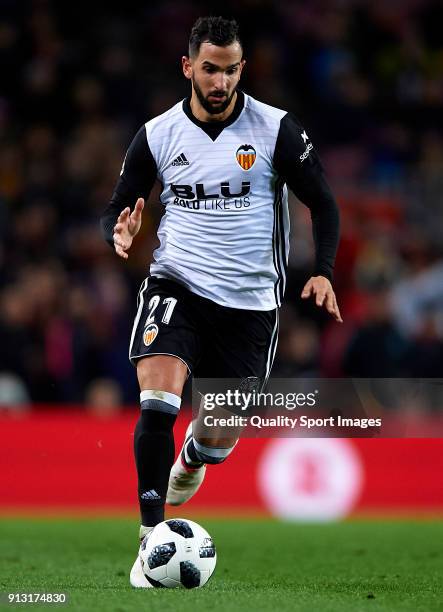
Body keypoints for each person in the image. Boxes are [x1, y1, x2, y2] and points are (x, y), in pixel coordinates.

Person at [100, 16, 341, 588]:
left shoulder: (276, 130)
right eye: (210, 68)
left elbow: (325, 204)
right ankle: (149, 539)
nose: (220, 80)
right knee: (157, 400)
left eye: (230, 69)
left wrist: (326, 271)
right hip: (177, 284)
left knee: (216, 436)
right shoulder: (157, 135)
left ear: (241, 70)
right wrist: (119, 232)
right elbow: (117, 206)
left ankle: (194, 457)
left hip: (251, 303)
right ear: (188, 67)